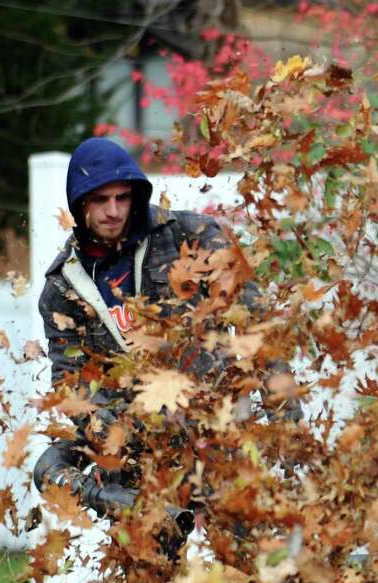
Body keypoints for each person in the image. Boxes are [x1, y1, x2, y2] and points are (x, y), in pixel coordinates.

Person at [32, 137, 276, 555]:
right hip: (134, 445)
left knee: (246, 573)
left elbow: (257, 323)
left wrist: (284, 413)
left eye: (122, 198)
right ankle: (143, 516)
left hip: (211, 428)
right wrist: (104, 428)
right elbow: (68, 384)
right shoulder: (62, 288)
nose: (113, 211)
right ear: (80, 206)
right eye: (101, 200)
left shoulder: (192, 235)